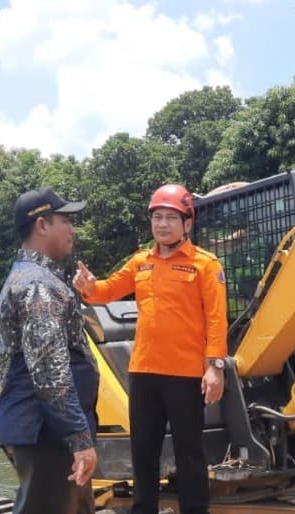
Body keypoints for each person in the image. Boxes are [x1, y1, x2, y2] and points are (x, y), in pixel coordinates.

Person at [73, 184, 228, 514]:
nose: (162, 224)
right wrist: (89, 287)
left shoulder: (205, 264)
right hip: (143, 372)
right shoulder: (140, 262)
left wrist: (215, 367)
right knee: (143, 451)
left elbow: (217, 319)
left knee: (189, 453)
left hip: (186, 375)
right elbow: (108, 290)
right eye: (157, 217)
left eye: (171, 217)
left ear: (187, 223)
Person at [0, 187, 99, 514]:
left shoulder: (32, 276)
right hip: (47, 434)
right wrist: (79, 440)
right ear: (42, 225)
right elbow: (50, 373)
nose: (73, 229)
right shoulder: (38, 284)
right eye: (66, 220)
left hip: (44, 430)